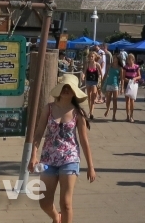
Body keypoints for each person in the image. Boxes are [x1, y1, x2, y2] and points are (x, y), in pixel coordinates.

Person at [29, 73, 96, 223]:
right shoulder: (49, 108)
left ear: (74, 92)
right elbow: (39, 133)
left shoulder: (77, 113)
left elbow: (84, 141)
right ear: (59, 89)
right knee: (44, 202)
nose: (66, 90)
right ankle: (56, 217)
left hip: (70, 159)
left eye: (70, 88)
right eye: (64, 87)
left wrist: (91, 166)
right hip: (48, 160)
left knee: (66, 204)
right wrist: (34, 156)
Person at [102, 52, 121, 121]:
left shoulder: (119, 68)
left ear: (118, 59)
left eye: (115, 58)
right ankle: (108, 109)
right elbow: (106, 74)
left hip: (115, 84)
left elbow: (121, 78)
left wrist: (121, 88)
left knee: (115, 101)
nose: (114, 59)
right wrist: (102, 81)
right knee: (108, 100)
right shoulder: (109, 66)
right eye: (113, 58)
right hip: (109, 84)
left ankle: (114, 115)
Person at [122, 54, 141, 122]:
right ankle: (127, 116)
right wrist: (127, 80)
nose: (129, 60)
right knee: (127, 101)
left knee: (132, 101)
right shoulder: (125, 67)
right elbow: (123, 77)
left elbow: (139, 76)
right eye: (128, 59)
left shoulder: (136, 67)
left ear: (133, 59)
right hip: (127, 84)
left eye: (130, 59)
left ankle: (131, 116)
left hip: (134, 84)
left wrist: (135, 78)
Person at [83, 52, 101, 120]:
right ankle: (90, 111)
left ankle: (91, 112)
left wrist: (101, 82)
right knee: (89, 97)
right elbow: (84, 72)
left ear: (95, 57)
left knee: (93, 96)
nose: (91, 58)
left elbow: (101, 74)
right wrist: (83, 76)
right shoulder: (87, 64)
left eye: (92, 56)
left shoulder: (97, 64)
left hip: (95, 82)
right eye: (90, 56)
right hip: (88, 81)